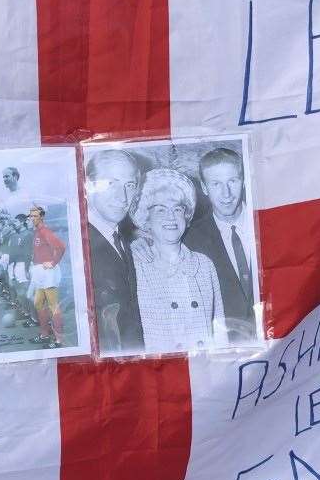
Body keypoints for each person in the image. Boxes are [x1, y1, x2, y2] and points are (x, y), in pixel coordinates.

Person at [130, 168, 225, 355]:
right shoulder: (134, 264)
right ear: (146, 219)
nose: (171, 217)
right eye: (160, 209)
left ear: (187, 217)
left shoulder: (204, 265)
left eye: (178, 209)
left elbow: (220, 329)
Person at [184, 147, 259, 343]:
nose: (226, 194)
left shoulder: (268, 221)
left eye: (232, 181)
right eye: (216, 184)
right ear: (205, 187)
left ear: (243, 182)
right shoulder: (190, 240)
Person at [84, 148, 145, 355]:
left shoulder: (120, 239)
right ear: (88, 186)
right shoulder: (82, 246)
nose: (123, 196)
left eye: (130, 185)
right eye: (111, 183)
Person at [26, 205, 67, 347]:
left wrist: (54, 263)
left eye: (35, 216)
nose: (31, 219)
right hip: (39, 271)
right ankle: (44, 334)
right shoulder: (37, 232)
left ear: (41, 217)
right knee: (38, 303)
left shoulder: (44, 231)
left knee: (53, 305)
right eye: (30, 216)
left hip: (48, 272)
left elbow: (61, 246)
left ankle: (59, 339)